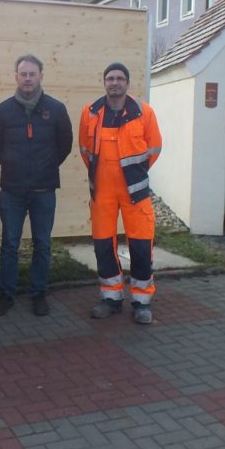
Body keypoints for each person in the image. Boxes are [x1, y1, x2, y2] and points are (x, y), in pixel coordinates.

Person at [0, 55, 72, 316]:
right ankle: (7, 294)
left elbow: (65, 146)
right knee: (10, 244)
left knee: (42, 244)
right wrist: (13, 165)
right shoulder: (2, 111)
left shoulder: (56, 110)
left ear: (41, 76)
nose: (27, 78)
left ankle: (38, 294)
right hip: (12, 190)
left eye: (32, 74)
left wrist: (45, 166)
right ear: (16, 77)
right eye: (23, 74)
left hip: (43, 191)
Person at [79, 62, 163, 325]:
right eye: (110, 78)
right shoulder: (90, 113)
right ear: (104, 83)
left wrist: (134, 174)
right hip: (102, 191)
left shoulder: (143, 112)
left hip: (135, 192)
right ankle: (111, 297)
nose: (114, 83)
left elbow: (154, 148)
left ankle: (141, 301)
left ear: (127, 83)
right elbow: (84, 149)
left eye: (119, 78)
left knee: (140, 247)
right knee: (103, 246)